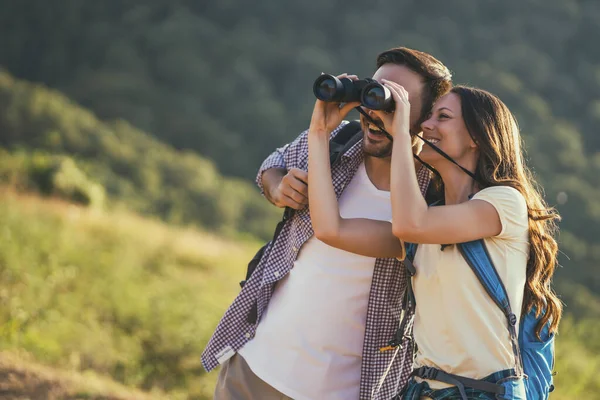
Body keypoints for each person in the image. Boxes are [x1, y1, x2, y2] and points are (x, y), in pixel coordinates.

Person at [201, 47, 452, 400]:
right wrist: (277, 186)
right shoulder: (339, 140)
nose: (375, 112)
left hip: (344, 390)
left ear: (423, 119)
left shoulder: (432, 197)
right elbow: (273, 164)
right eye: (373, 93)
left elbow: (332, 230)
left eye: (394, 103)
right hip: (255, 366)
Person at [307, 82, 562, 399]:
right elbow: (331, 229)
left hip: (485, 392)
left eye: (442, 117)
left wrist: (402, 134)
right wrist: (319, 132)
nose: (425, 125)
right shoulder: (424, 227)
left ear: (476, 137)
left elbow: (411, 223)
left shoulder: (505, 203)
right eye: (427, 118)